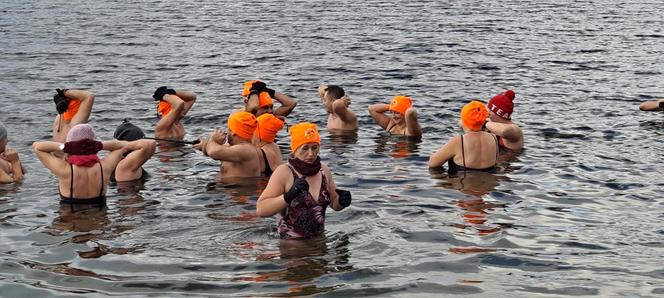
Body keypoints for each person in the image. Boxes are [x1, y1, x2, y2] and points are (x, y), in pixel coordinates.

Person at [256, 122, 352, 240]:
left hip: (319, 243)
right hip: (292, 248)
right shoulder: (284, 172)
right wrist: (289, 196)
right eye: (305, 148)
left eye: (314, 148)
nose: (311, 154)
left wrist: (342, 202)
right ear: (295, 150)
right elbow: (261, 210)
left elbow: (334, 204)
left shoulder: (323, 171)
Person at [33, 124, 129, 206]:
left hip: (71, 222)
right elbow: (125, 145)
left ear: (70, 145)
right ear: (93, 143)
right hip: (99, 222)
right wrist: (99, 145)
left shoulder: (64, 170)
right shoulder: (104, 167)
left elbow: (37, 147)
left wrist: (65, 147)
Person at [428, 101, 498, 174]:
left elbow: (432, 163)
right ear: (483, 121)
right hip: (488, 183)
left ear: (463, 121)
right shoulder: (493, 137)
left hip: (465, 183)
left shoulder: (459, 141)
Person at [194, 112, 263, 178]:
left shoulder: (246, 150)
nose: (227, 132)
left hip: (239, 189)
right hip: (227, 187)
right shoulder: (233, 148)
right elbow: (214, 151)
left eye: (229, 129)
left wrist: (212, 138)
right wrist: (203, 145)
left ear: (234, 132)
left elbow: (213, 152)